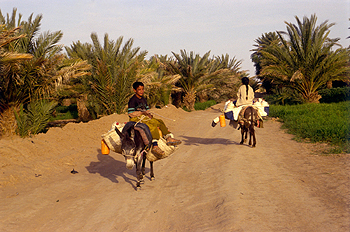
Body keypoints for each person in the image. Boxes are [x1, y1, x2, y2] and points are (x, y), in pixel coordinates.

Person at [128, 81, 181, 156]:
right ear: (134, 90)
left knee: (159, 121)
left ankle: (168, 137)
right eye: (139, 89)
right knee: (152, 124)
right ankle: (155, 145)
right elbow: (130, 113)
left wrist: (148, 114)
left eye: (142, 89)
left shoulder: (143, 99)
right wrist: (142, 113)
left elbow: (147, 109)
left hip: (144, 117)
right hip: (135, 119)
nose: (141, 91)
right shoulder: (132, 100)